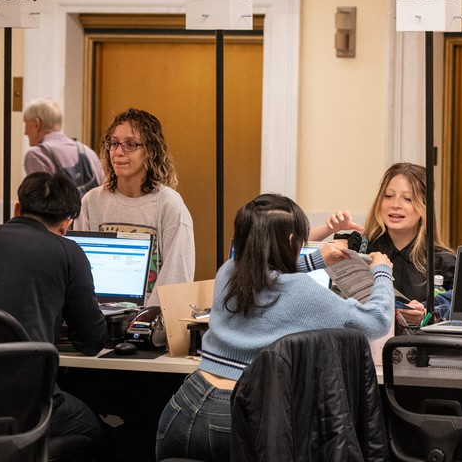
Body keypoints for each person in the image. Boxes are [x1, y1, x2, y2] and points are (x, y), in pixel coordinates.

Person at [155, 194, 394, 462]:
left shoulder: (229, 271)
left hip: (181, 407)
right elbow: (376, 320)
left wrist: (316, 259)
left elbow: (267, 275)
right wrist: (382, 271)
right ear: (292, 242)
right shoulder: (302, 292)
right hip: (232, 416)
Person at [0, 172, 108, 447]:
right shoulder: (68, 252)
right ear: (66, 224)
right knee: (98, 433)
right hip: (26, 402)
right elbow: (92, 341)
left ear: (17, 209)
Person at [310, 162, 456, 327]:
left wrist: (428, 314)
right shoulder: (359, 245)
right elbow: (294, 251)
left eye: (407, 199)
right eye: (388, 196)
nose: (395, 205)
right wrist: (329, 228)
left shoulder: (444, 261)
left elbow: (459, 314)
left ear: (424, 206)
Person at [74, 108, 195, 306]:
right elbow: (79, 269)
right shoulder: (92, 201)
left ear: (150, 151)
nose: (118, 152)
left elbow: (177, 276)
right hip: (99, 315)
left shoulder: (169, 204)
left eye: (130, 145)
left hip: (151, 322)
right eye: (113, 144)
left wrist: (146, 320)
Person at [23, 97, 104, 194]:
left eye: (26, 124)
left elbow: (40, 202)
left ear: (37, 124)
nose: (25, 132)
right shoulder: (88, 152)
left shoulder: (36, 155)